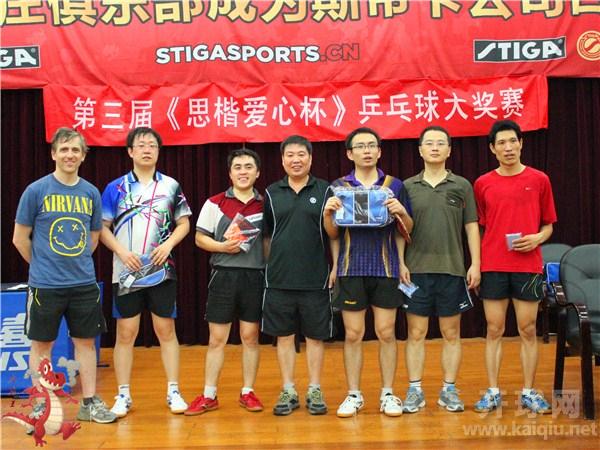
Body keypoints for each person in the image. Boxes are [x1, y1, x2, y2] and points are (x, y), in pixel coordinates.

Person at [12, 127, 116, 424]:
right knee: (41, 345)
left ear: (83, 156)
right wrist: (43, 266)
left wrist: (74, 263)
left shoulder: (90, 193)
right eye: (64, 149)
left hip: (83, 284)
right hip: (45, 285)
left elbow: (93, 238)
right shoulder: (36, 191)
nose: (70, 155)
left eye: (75, 150)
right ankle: (41, 405)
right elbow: (20, 238)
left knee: (86, 343)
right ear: (54, 154)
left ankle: (89, 403)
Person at [100, 127, 191, 417]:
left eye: (152, 145)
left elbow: (184, 223)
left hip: (162, 271)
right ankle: (123, 394)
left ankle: (173, 390)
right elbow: (102, 227)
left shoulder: (171, 186)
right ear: (130, 152)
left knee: (166, 330)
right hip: (126, 273)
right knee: (126, 333)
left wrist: (168, 245)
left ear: (158, 151)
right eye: (141, 145)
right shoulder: (115, 188)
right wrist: (121, 252)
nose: (147, 149)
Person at [323, 127, 413, 418]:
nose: (366, 151)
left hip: (385, 267)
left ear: (379, 151)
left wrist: (401, 212)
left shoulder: (394, 185)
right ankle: (354, 394)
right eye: (360, 146)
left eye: (371, 145)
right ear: (350, 153)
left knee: (386, 332)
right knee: (353, 334)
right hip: (351, 268)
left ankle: (388, 393)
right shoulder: (339, 186)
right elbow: (333, 233)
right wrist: (328, 214)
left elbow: (406, 229)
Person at [473, 119, 556, 414]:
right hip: (493, 265)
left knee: (528, 329)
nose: (508, 147)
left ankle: (529, 392)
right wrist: (477, 264)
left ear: (521, 143)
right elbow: (480, 227)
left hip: (528, 266)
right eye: (501, 143)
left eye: (512, 141)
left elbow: (548, 225)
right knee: (494, 328)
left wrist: (537, 238)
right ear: (492, 149)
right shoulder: (482, 183)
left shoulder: (540, 179)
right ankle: (492, 391)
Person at [399, 126, 480, 414]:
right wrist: (400, 262)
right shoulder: (407, 186)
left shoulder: (462, 185)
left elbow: (471, 227)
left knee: (451, 332)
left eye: (440, 143)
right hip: (415, 272)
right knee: (416, 332)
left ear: (449, 150)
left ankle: (449, 390)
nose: (435, 147)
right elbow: (399, 229)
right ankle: (414, 391)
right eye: (429, 143)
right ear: (420, 150)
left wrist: (475, 263)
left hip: (452, 270)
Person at [185, 148, 265, 415]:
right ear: (230, 173)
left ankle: (248, 391)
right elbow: (199, 238)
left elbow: (268, 243)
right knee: (217, 339)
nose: (243, 172)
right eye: (237, 167)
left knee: (250, 337)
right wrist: (222, 247)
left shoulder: (266, 204)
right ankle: (209, 395)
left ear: (257, 172)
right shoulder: (214, 203)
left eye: (248, 167)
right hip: (223, 275)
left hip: (254, 276)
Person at [262, 135, 333, 416]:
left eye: (301, 154)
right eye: (290, 155)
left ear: (311, 158)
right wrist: (272, 266)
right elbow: (267, 235)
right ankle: (288, 389)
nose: (296, 160)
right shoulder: (271, 192)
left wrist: (335, 268)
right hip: (279, 279)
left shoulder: (325, 190)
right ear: (282, 160)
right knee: (284, 337)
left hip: (315, 277)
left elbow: (334, 233)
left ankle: (315, 388)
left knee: (315, 337)